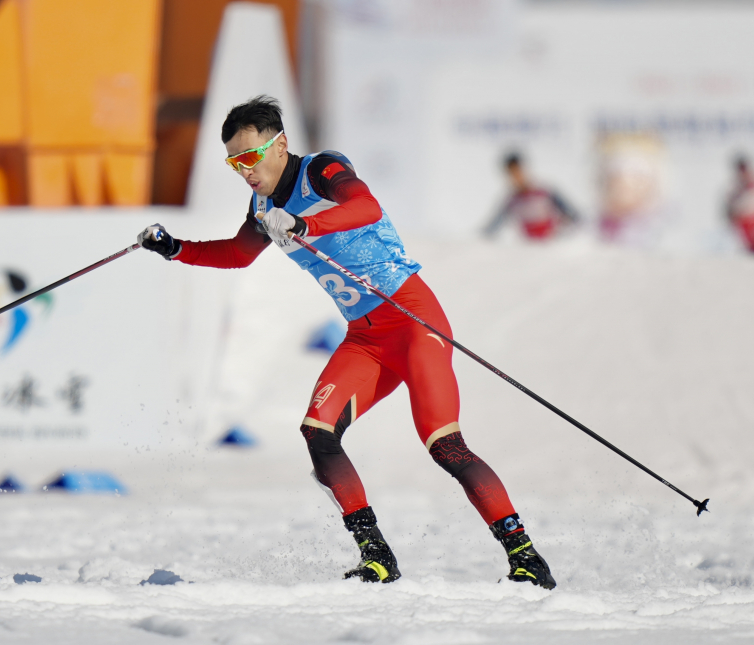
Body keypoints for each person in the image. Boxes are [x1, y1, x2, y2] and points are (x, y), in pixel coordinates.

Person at [138, 95, 555, 589]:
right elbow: (237, 254)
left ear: (281, 145)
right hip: (366, 338)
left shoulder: (323, 170)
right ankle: (376, 554)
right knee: (317, 432)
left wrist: (305, 224)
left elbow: (365, 206)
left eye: (250, 157)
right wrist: (174, 249)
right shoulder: (263, 205)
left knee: (444, 445)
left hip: (413, 320)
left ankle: (525, 556)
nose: (244, 171)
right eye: (234, 162)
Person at [483, 152, 578, 240]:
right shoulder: (511, 201)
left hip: (553, 244)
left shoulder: (545, 191)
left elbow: (572, 214)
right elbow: (493, 227)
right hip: (530, 249)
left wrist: (566, 223)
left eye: (517, 171)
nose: (516, 177)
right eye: (512, 174)